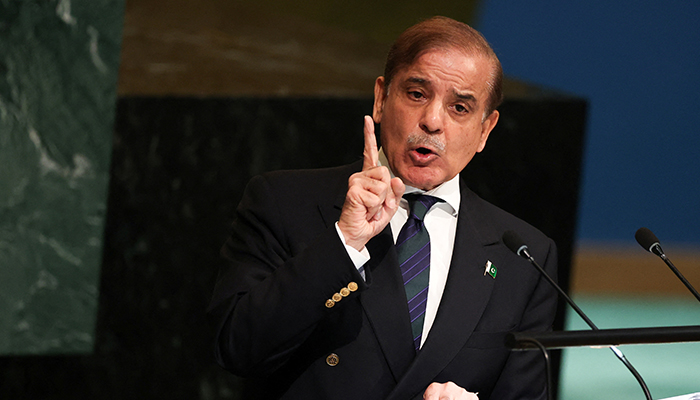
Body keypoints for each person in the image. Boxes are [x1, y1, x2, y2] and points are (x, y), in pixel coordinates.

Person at [208, 16, 558, 400]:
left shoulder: (524, 257)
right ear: (381, 97)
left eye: (459, 107)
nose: (432, 121)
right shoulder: (285, 201)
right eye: (416, 94)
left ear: (485, 130)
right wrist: (343, 243)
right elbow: (236, 349)